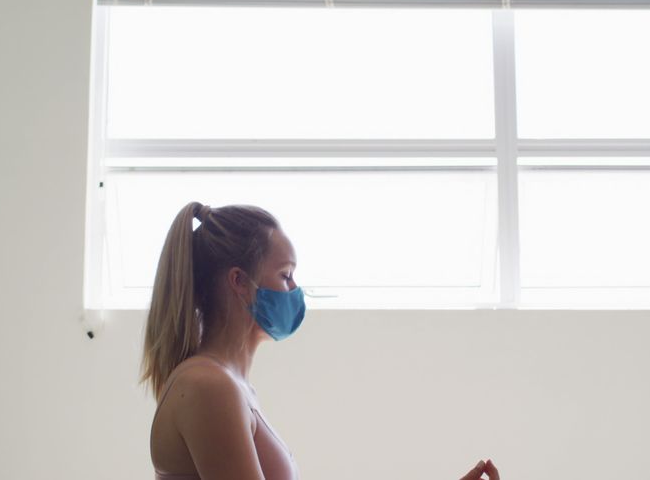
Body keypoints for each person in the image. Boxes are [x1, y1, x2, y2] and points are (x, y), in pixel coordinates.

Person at [140, 202, 500, 480]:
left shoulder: (231, 387)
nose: (295, 291)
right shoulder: (208, 387)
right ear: (239, 282)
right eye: (286, 275)